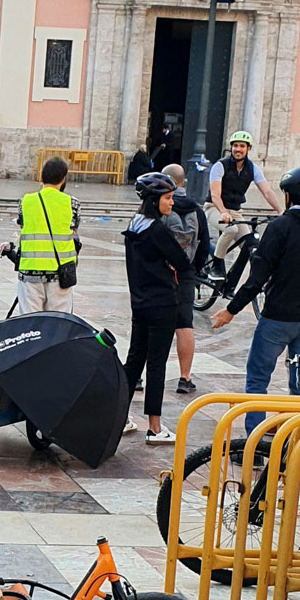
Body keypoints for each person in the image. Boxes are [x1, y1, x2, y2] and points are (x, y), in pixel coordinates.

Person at [211, 165, 300, 435]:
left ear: (287, 196)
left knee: (258, 380)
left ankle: (255, 444)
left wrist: (231, 310)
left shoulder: (280, 227)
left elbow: (257, 278)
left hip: (277, 318)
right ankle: (297, 440)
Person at [122, 171, 191, 445]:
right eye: (168, 198)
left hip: (139, 303)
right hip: (162, 303)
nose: (172, 203)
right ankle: (154, 427)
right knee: (156, 365)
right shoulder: (158, 230)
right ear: (155, 200)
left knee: (134, 361)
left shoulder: (133, 226)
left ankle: (120, 416)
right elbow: (183, 262)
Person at [162, 162, 210, 395]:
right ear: (183, 182)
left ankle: (142, 375)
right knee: (184, 325)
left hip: (160, 273)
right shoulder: (197, 210)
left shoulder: (159, 206)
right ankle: (184, 377)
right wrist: (192, 270)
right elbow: (204, 246)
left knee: (152, 324)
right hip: (185, 274)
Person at [208, 131, 282, 280]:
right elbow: (215, 195)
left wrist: (281, 210)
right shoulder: (220, 166)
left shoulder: (253, 169)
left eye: (242, 146)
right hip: (213, 208)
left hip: (235, 212)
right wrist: (223, 211)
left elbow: (267, 192)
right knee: (231, 229)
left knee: (250, 245)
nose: (238, 149)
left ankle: (233, 283)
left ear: (248, 149)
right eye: (235, 146)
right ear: (231, 148)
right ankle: (216, 266)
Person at [12, 156, 80, 315]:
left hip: (30, 271)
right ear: (63, 179)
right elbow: (73, 230)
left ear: (41, 177)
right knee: (58, 324)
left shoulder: (25, 201)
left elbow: (22, 225)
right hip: (60, 273)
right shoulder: (72, 203)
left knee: (30, 324)